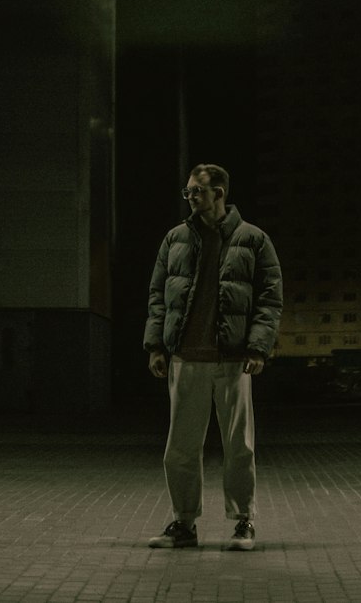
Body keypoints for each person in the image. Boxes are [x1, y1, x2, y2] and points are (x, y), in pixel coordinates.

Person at [143, 162, 283, 552]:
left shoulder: (253, 239)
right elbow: (158, 296)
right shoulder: (175, 240)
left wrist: (257, 347)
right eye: (187, 192)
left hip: (233, 358)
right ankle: (183, 524)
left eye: (196, 192)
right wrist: (156, 345)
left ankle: (243, 522)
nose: (189, 198)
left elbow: (270, 299)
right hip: (185, 358)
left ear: (219, 192)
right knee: (180, 447)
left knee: (239, 445)